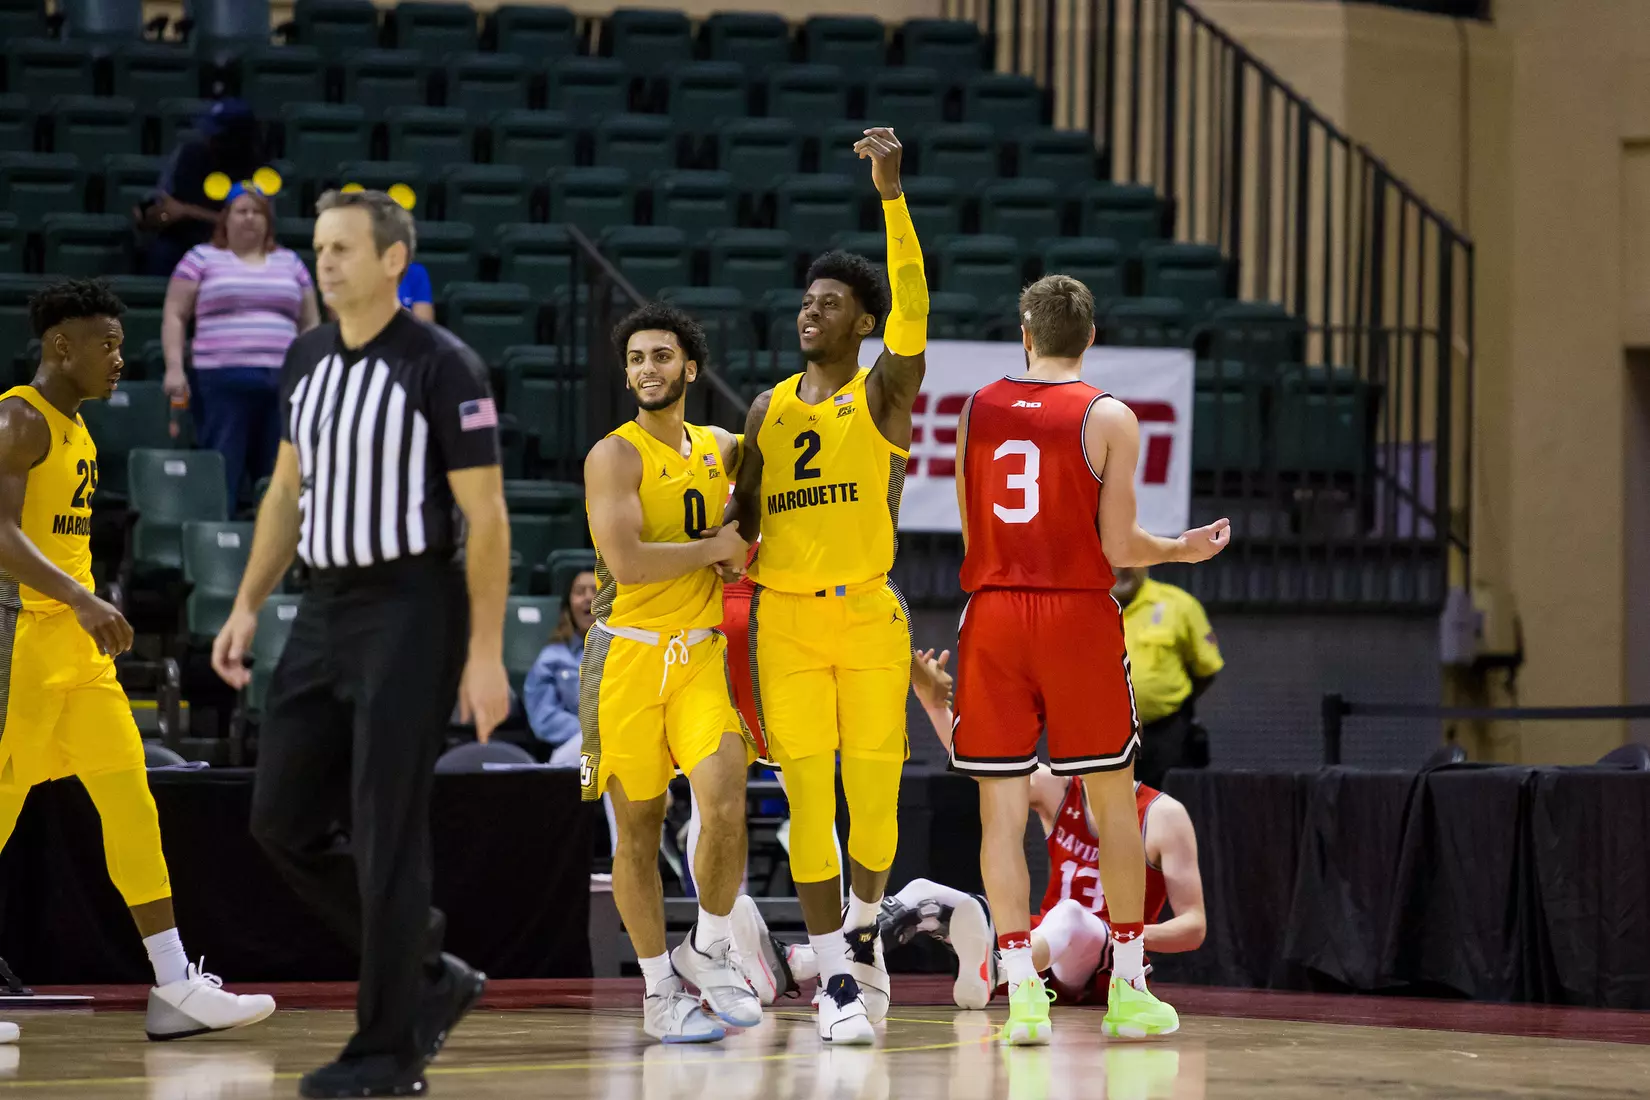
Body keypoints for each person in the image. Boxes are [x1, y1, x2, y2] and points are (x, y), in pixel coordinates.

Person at [211, 189, 511, 1098]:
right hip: (322, 606)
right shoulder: (304, 357)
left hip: (411, 607)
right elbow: (285, 492)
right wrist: (247, 603)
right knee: (279, 819)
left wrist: (484, 652)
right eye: (319, 248)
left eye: (343, 248)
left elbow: (488, 517)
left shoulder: (443, 364)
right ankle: (424, 964)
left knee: (386, 829)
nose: (325, 262)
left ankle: (386, 1051)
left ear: (392, 260)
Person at [951, 274, 1229, 1045]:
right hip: (1075, 614)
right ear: (1091, 338)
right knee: (1114, 805)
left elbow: (972, 527)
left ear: (1025, 335)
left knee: (1000, 814)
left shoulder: (975, 407)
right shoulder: (1110, 415)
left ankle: (1022, 993)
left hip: (994, 610)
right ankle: (1129, 990)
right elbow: (1120, 547)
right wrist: (1183, 549)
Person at [0, 280, 275, 1042]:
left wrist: (83, 608)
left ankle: (174, 983)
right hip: (19, 642)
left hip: (78, 656)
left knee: (131, 803)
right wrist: (81, 598)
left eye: (121, 345)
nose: (121, 359)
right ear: (62, 345)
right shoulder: (19, 418)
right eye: (108, 344)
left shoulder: (78, 430)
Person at [725, 126, 929, 1044]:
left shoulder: (883, 393)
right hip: (787, 623)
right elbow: (742, 525)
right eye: (807, 302)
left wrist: (891, 196)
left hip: (870, 618)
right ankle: (836, 978)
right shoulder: (765, 408)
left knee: (875, 806)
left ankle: (865, 926)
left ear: (862, 323)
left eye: (831, 303)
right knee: (808, 800)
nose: (811, 313)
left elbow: (914, 308)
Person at [581, 302, 759, 1044]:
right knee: (639, 830)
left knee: (725, 799)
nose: (647, 369)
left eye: (660, 356)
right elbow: (626, 563)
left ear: (691, 367)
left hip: (699, 654)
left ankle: (709, 947)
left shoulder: (721, 446)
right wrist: (717, 549)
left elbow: (780, 466)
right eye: (636, 359)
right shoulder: (614, 457)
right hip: (625, 658)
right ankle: (660, 991)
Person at [163, 182, 320, 504]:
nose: (249, 218)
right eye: (242, 211)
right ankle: (218, 533)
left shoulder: (290, 263)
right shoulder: (201, 258)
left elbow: (310, 323)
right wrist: (174, 368)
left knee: (278, 476)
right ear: (226, 218)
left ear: (268, 221)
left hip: (282, 383)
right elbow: (175, 315)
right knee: (222, 471)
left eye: (257, 212)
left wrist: (310, 370)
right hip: (222, 382)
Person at [1112, 566, 1223, 787]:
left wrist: (1161, 704)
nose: (1123, 566)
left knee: (1166, 804)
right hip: (1100, 740)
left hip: (1166, 737)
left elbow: (1206, 670)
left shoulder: (1179, 605)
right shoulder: (1079, 607)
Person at [136, 99, 268, 278]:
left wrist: (187, 211)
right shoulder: (187, 155)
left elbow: (256, 226)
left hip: (230, 248)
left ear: (240, 138)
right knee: (161, 252)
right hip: (183, 240)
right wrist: (152, 213)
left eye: (220, 136)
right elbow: (164, 202)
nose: (210, 139)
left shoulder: (260, 172)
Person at [523, 569, 597, 764]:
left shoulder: (628, 653)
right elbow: (543, 717)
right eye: (580, 592)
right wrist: (591, 732)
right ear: (568, 605)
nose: (589, 598)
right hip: (575, 747)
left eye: (596, 591)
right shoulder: (552, 658)